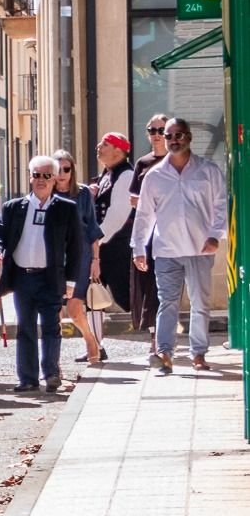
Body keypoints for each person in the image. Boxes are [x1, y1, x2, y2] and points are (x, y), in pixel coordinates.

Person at [132, 117, 227, 373]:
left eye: (178, 135)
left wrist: (215, 235)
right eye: (168, 136)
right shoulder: (154, 176)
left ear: (189, 137)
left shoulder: (208, 171)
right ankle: (164, 353)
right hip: (167, 250)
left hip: (199, 248)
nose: (173, 140)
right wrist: (139, 248)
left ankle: (198, 353)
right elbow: (144, 215)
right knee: (167, 302)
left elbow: (221, 206)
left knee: (200, 303)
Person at [0, 156, 83, 393]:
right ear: (30, 177)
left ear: (54, 180)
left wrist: (71, 282)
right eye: (36, 175)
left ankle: (51, 373)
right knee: (26, 327)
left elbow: (75, 248)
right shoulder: (13, 207)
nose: (41, 180)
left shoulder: (66, 209)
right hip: (22, 276)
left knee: (52, 326)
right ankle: (28, 378)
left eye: (46, 176)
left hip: (50, 276)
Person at [53, 149, 105, 363]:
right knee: (54, 309)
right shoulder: (47, 193)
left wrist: (96, 260)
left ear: (72, 170)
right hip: (55, 258)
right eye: (58, 169)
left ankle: (90, 340)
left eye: (67, 169)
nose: (63, 173)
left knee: (75, 309)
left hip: (80, 257)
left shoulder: (82, 194)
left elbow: (92, 229)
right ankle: (53, 360)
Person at [128, 116, 169, 339]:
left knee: (166, 290)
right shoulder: (143, 163)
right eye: (151, 130)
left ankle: (166, 339)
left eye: (160, 130)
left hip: (172, 235)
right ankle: (155, 339)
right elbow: (134, 200)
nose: (156, 134)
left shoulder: (176, 162)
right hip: (147, 235)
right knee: (147, 288)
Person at [92, 132, 135, 323]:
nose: (99, 147)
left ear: (119, 151)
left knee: (128, 297)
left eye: (105, 144)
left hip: (119, 249)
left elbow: (117, 216)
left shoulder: (125, 176)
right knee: (92, 297)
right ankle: (96, 347)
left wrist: (95, 241)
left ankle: (159, 339)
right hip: (104, 248)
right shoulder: (107, 175)